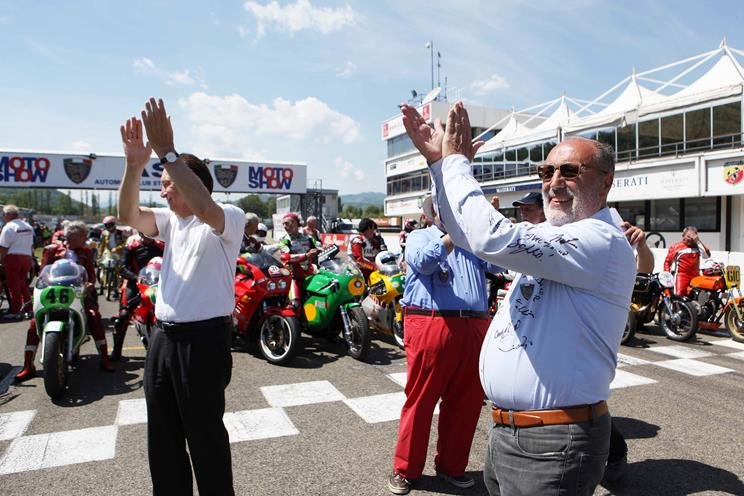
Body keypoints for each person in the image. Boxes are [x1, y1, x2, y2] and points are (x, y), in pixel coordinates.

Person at [400, 101, 636, 496]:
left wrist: (455, 164)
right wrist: (440, 165)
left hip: (555, 440)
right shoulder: (556, 235)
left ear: (605, 182)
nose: (554, 182)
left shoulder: (600, 239)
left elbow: (490, 237)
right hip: (513, 432)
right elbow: (463, 232)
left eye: (569, 171)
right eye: (546, 171)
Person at [118, 98, 243, 496]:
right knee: (163, 439)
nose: (163, 192)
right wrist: (134, 166)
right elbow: (127, 215)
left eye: (168, 183)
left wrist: (168, 152)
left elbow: (204, 206)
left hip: (203, 343)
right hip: (163, 339)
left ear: (193, 182)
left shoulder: (228, 217)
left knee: (205, 439)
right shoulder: (171, 222)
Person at [388, 196, 497, 495]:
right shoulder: (419, 236)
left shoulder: (473, 240)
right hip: (431, 322)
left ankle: (452, 466)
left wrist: (489, 225)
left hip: (474, 324)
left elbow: (498, 263)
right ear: (433, 213)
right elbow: (423, 262)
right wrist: (455, 236)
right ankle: (406, 469)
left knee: (467, 401)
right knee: (421, 399)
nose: (451, 213)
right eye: (444, 208)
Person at [15, 220, 115, 381]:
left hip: (78, 293)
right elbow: (43, 272)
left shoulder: (86, 251)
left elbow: (91, 272)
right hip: (53, 292)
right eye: (82, 236)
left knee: (94, 316)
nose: (85, 239)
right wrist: (42, 285)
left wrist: (90, 285)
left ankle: (104, 358)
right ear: (73, 236)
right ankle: (28, 365)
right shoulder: (53, 250)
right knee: (34, 324)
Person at [111, 233, 165, 361]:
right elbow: (122, 268)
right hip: (135, 283)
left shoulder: (162, 246)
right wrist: (137, 277)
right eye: (143, 232)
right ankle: (116, 349)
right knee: (123, 315)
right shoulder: (132, 247)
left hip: (157, 283)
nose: (147, 234)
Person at [278, 212, 319, 308]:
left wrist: (323, 248)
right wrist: (306, 256)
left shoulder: (308, 237)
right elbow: (287, 257)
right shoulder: (284, 240)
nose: (284, 226)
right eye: (283, 224)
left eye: (287, 223)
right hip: (293, 276)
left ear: (296, 223)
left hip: (310, 274)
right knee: (295, 304)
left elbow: (318, 247)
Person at [0, 205, 34, 320]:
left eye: (4, 215)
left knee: (13, 286)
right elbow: (31, 244)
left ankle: (15, 311)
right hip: (27, 257)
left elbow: (3, 247)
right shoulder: (28, 226)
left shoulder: (9, 227)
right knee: (23, 284)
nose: (3, 217)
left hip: (13, 258)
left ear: (8, 215)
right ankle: (29, 309)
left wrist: (1, 260)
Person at [664, 225, 711, 296]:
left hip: (695, 276)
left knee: (698, 297)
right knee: (678, 296)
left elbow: (706, 256)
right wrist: (667, 276)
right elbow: (667, 262)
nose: (690, 239)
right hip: (682, 276)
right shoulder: (676, 247)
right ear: (683, 236)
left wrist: (698, 241)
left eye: (693, 236)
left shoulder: (698, 246)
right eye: (688, 236)